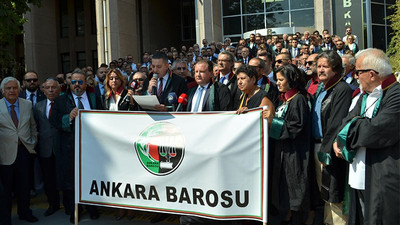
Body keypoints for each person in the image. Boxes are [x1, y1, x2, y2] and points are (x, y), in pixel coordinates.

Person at [333, 48, 400, 225]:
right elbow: (344, 123)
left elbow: (375, 131)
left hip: (381, 177)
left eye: (358, 72)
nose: (355, 76)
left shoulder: (396, 94)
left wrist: (351, 127)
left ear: (371, 74)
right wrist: (343, 135)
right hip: (358, 175)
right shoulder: (365, 96)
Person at [50, 69, 103, 223]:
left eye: (80, 82)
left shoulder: (94, 98)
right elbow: (55, 121)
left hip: (92, 147)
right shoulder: (60, 100)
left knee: (91, 177)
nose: (77, 85)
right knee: (73, 181)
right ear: (69, 84)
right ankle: (76, 210)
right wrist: (69, 118)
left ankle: (92, 207)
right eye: (74, 82)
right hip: (70, 149)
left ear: (86, 84)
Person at [264, 64, 311, 225]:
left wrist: (272, 121)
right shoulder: (284, 99)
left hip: (295, 152)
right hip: (282, 150)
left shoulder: (298, 99)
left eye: (281, 80)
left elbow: (295, 127)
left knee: (295, 190)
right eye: (277, 80)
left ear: (291, 80)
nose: (278, 83)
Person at [312, 50, 353, 225]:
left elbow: (336, 123)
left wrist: (325, 151)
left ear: (335, 69)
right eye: (319, 66)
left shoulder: (342, 89)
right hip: (317, 146)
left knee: (334, 193)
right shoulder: (322, 88)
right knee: (325, 194)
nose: (320, 70)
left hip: (328, 149)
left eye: (325, 66)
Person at [0, 77, 38, 224]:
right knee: (5, 191)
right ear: (3, 91)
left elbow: (33, 126)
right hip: (5, 154)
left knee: (24, 186)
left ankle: (25, 213)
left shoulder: (27, 104)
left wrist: (33, 142)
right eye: (8, 88)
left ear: (19, 89)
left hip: (24, 151)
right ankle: (5, 219)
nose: (12, 91)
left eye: (14, 88)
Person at [33, 78, 61, 217]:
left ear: (59, 89)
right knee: (49, 180)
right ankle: (53, 204)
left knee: (64, 178)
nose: (50, 90)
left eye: (53, 87)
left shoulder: (65, 103)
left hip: (61, 148)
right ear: (43, 90)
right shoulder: (38, 106)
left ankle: (69, 205)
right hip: (44, 149)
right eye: (47, 88)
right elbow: (36, 126)